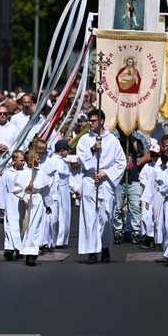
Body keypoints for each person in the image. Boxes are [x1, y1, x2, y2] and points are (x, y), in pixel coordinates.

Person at [75, 109, 126, 264]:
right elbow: (81, 159)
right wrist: (93, 149)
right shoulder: (84, 139)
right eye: (89, 121)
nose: (90, 124)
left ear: (102, 121)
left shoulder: (112, 141)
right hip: (90, 180)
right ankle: (91, 251)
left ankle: (104, 247)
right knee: (90, 217)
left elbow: (121, 162)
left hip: (105, 181)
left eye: (93, 121)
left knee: (105, 217)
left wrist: (106, 173)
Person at [13, 149, 52, 266]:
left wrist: (48, 204)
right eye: (37, 159)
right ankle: (27, 253)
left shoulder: (40, 173)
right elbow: (15, 189)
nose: (40, 160)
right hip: (27, 201)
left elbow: (46, 190)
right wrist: (26, 188)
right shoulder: (23, 173)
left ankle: (33, 254)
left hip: (38, 201)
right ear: (30, 161)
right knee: (28, 227)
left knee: (37, 227)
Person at [0, 150, 25, 261]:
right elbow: (2, 188)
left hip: (21, 201)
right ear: (14, 161)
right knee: (9, 225)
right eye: (21, 160)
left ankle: (19, 248)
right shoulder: (7, 174)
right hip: (10, 200)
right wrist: (1, 205)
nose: (23, 162)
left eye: (24, 160)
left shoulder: (25, 172)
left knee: (20, 224)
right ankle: (9, 248)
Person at [41, 139, 72, 249]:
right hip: (54, 190)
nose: (68, 152)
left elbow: (68, 178)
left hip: (64, 189)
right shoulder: (52, 161)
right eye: (66, 150)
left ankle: (62, 239)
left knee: (65, 215)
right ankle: (52, 240)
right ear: (62, 150)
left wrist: (75, 189)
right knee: (53, 216)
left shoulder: (63, 161)